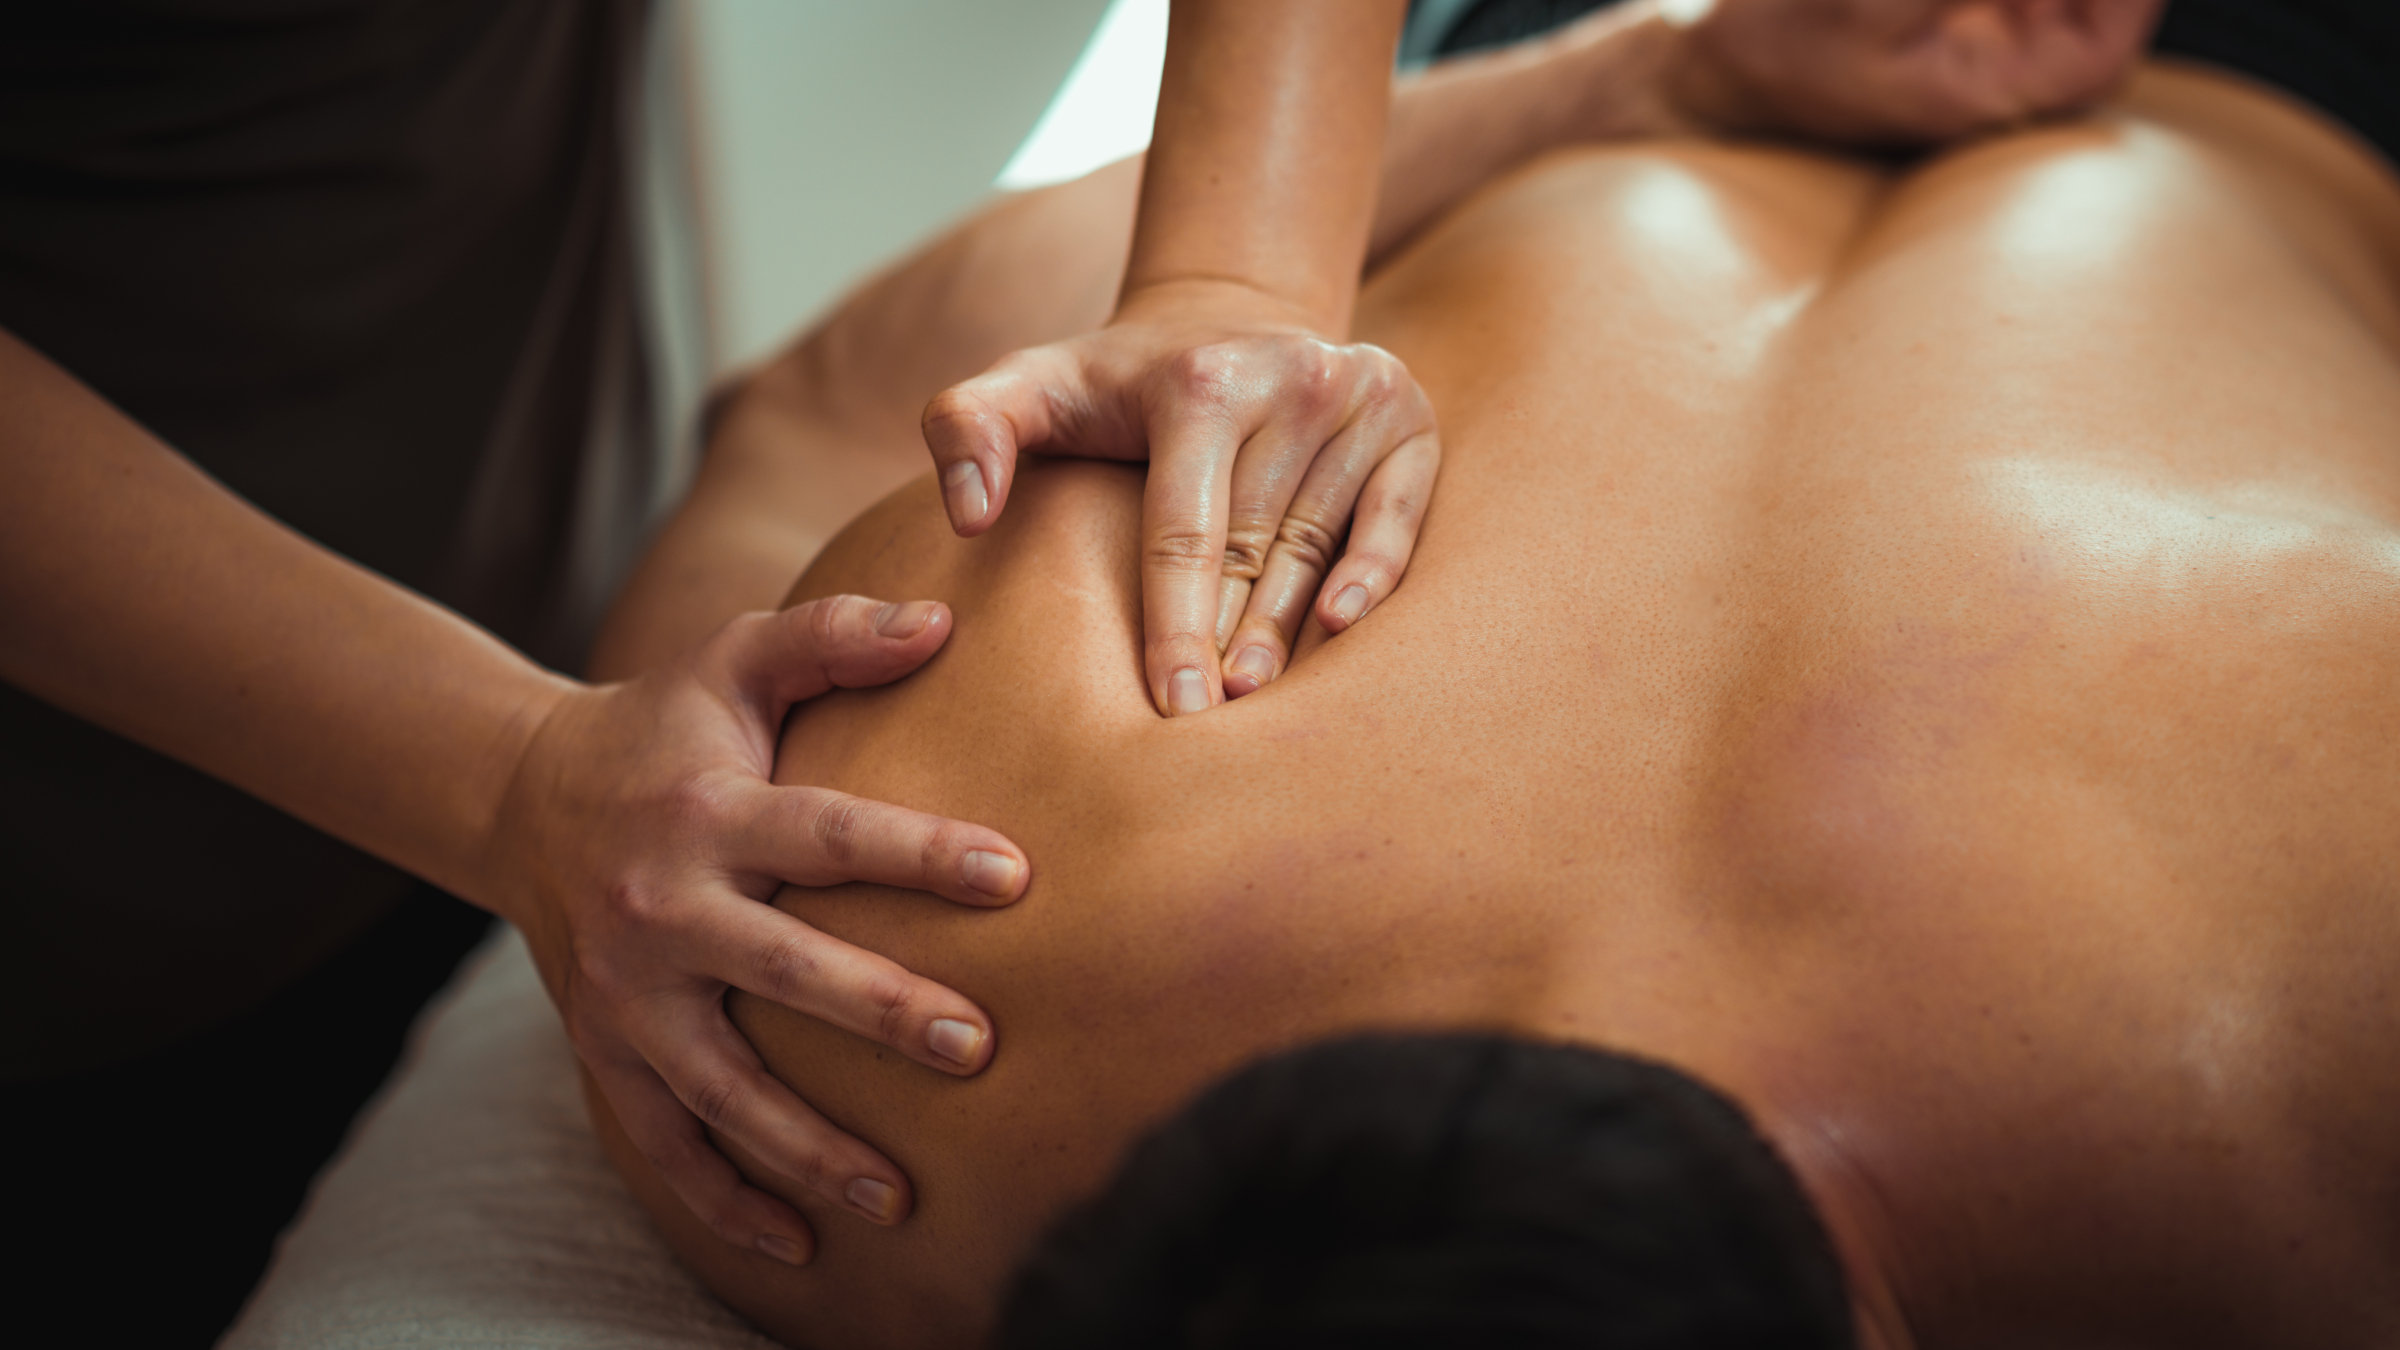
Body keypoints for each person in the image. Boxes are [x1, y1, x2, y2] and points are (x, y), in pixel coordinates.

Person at [575, 4, 2400, 1346]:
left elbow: (808, 404)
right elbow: (821, 407)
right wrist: (1610, 78)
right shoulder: (860, 1061)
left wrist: (1641, 70)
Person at [0, 2, 1460, 1338]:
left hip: (553, 518)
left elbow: (817, 400)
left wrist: (1235, 273)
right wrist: (501, 774)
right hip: (87, 884)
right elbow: (820, 399)